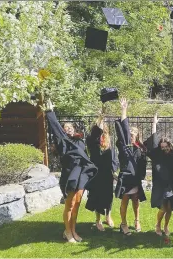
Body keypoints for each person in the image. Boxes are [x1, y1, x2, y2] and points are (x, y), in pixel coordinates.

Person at [44, 99, 97, 243]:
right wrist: (50, 112)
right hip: (70, 177)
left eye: (70, 127)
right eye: (65, 127)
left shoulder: (79, 141)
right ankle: (67, 232)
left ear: (74, 129)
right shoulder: (63, 143)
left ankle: (73, 230)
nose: (68, 129)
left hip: (81, 175)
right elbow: (55, 129)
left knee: (77, 203)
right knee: (70, 204)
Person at [114, 98, 147, 235]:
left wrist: (142, 177)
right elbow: (124, 127)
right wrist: (123, 110)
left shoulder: (140, 148)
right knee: (125, 201)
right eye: (130, 134)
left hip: (135, 178)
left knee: (135, 200)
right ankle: (123, 223)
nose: (132, 136)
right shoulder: (123, 146)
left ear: (137, 136)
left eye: (134, 135)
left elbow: (143, 164)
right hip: (125, 177)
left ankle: (137, 220)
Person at [146, 114, 173, 236]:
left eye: (166, 146)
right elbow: (154, 140)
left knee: (169, 208)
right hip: (160, 184)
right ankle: (158, 225)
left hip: (171, 184)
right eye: (162, 147)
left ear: (169, 146)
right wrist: (154, 124)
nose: (164, 148)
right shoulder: (157, 154)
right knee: (163, 208)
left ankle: (166, 226)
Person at [85, 115, 119, 231]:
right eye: (100, 129)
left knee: (108, 197)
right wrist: (99, 120)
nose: (102, 132)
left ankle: (108, 216)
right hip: (96, 174)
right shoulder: (93, 142)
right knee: (96, 197)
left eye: (104, 129)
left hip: (107, 174)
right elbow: (94, 134)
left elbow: (114, 158)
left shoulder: (109, 143)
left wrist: (114, 170)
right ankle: (98, 220)